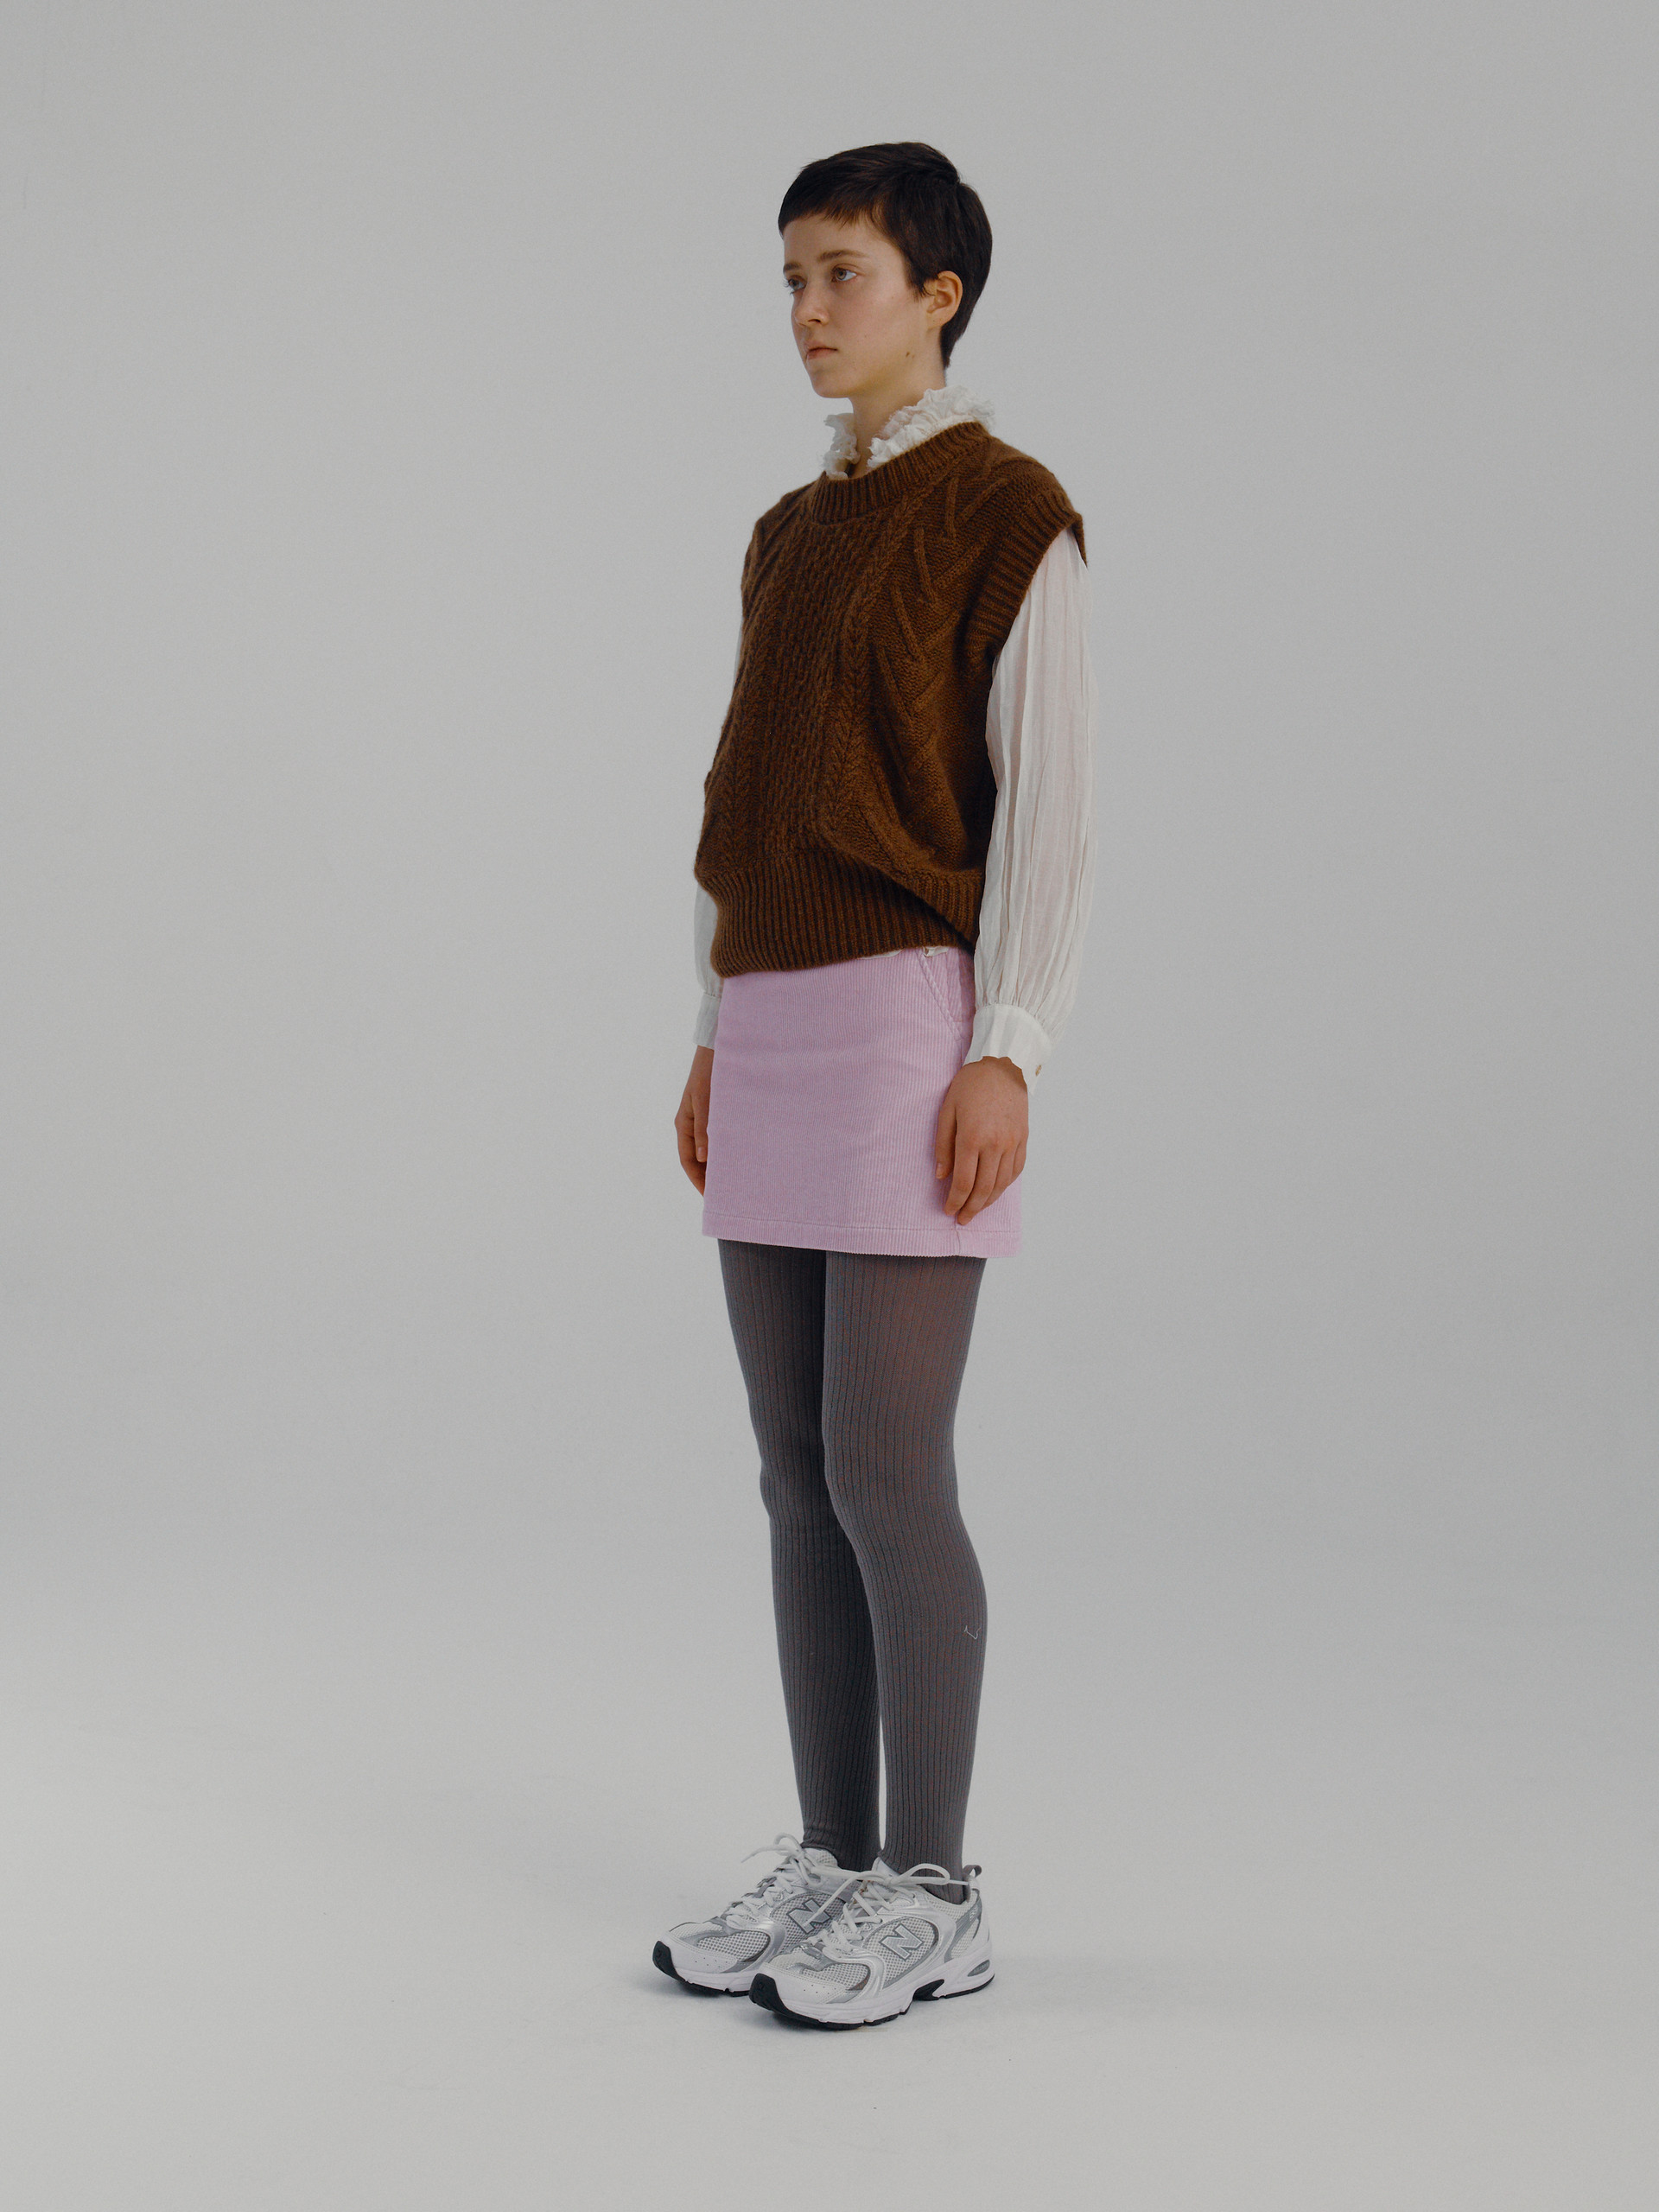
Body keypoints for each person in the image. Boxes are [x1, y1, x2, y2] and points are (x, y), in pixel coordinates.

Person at [658, 142, 1096, 2030]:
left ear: (940, 293)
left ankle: (936, 1889)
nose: (807, 310)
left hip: (916, 1020)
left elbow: (1050, 802)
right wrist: (709, 1019)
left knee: (884, 1466)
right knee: (791, 1471)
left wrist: (1011, 1043)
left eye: (842, 272)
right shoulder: (786, 532)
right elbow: (744, 792)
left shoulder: (1009, 509)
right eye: (791, 278)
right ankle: (835, 1858)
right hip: (770, 1022)